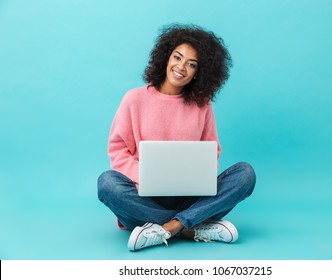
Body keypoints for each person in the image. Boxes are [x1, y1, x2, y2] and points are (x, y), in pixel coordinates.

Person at [97, 24, 256, 251]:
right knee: (107, 183)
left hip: (190, 197)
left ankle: (167, 228)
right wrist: (148, 176)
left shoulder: (203, 106)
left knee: (245, 174)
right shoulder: (134, 100)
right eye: (177, 57)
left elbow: (212, 153)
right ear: (166, 57)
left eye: (191, 64)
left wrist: (198, 175)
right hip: (145, 199)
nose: (181, 67)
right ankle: (191, 226)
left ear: (198, 73)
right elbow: (118, 151)